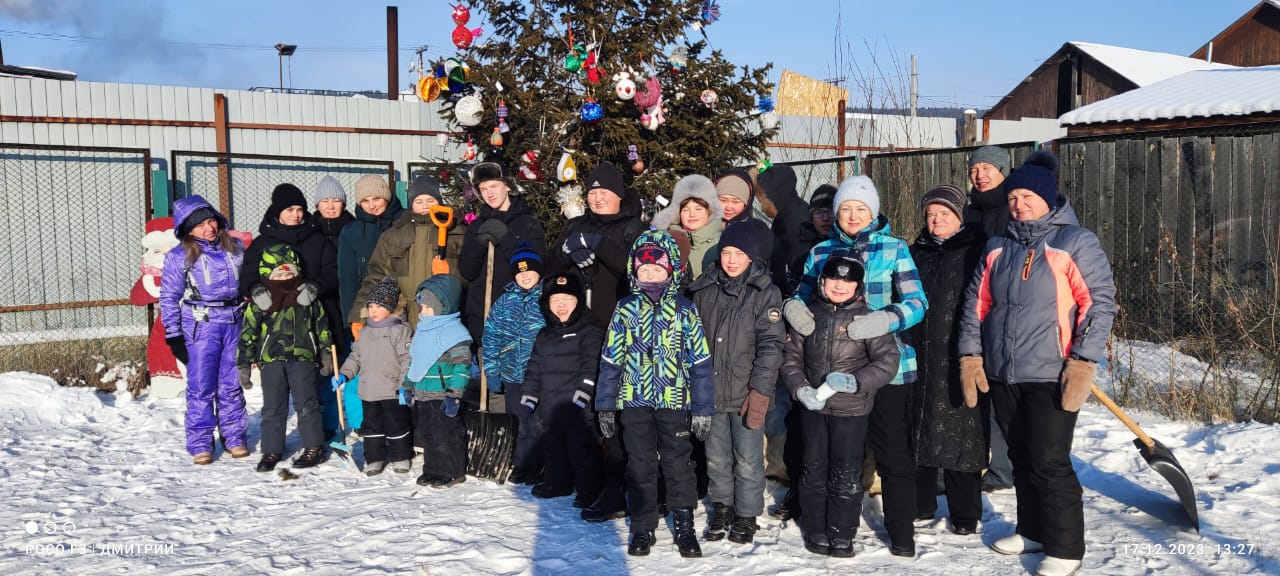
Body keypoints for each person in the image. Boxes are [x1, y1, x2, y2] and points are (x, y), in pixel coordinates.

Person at [958, 151, 1116, 576]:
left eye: (1028, 196)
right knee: (1021, 455)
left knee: (1050, 459)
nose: (1019, 204)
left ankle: (1066, 547)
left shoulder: (1074, 242)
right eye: (1013, 197)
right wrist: (971, 356)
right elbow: (976, 306)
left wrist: (1083, 361)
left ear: (1047, 199)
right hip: (1004, 370)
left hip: (1053, 372)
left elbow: (1098, 304)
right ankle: (1032, 531)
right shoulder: (998, 246)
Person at [783, 174, 928, 557]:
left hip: (886, 368)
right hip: (831, 368)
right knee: (826, 451)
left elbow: (917, 302)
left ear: (873, 213)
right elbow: (800, 296)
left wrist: (886, 319)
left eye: (860, 209)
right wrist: (793, 309)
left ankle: (900, 531)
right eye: (844, 208)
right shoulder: (820, 253)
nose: (851, 215)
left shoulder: (894, 249)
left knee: (891, 450)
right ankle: (818, 518)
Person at [596, 230, 713, 558]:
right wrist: (605, 404)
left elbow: (701, 363)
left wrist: (703, 408)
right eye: (643, 271)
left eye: (657, 270)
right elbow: (610, 359)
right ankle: (643, 526)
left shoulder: (684, 310)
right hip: (633, 401)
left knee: (678, 463)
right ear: (634, 273)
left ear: (671, 272)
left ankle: (685, 525)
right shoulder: (625, 309)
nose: (650, 276)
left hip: (674, 400)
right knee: (640, 464)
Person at [545, 162, 648, 522]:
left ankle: (618, 491)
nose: (598, 197)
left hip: (623, 336)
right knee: (586, 412)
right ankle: (589, 482)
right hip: (581, 335)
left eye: (605, 191)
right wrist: (568, 251)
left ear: (620, 194)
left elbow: (640, 272)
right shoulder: (575, 226)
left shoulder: (635, 228)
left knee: (615, 416)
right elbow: (551, 270)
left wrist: (602, 245)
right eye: (591, 191)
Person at [781, 256, 899, 557]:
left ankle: (842, 532)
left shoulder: (868, 319)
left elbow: (888, 361)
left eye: (847, 281)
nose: (839, 286)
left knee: (846, 472)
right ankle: (817, 529)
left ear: (858, 287)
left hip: (851, 411)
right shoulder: (809, 316)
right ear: (822, 282)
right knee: (813, 468)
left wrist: (857, 381)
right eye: (834, 279)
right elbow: (791, 357)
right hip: (814, 409)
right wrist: (799, 387)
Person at [688, 224, 784, 544]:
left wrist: (760, 392)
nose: (731, 260)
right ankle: (722, 507)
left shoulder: (764, 292)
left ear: (751, 257)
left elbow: (771, 347)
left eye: (739, 254)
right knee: (716, 456)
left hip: (746, 394)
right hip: (710, 393)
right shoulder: (703, 289)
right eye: (726, 253)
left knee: (747, 458)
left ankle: (746, 514)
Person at [907, 184, 988, 536]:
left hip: (960, 354)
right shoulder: (915, 252)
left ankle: (965, 514)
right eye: (930, 214)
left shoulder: (976, 250)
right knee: (918, 428)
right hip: (918, 353)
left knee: (963, 433)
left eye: (944, 213)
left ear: (959, 216)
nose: (936, 220)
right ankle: (920, 504)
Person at [159, 196, 249, 465]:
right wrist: (173, 334)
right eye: (200, 225)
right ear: (188, 230)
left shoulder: (235, 248)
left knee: (231, 384)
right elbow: (168, 297)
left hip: (234, 321)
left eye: (211, 221)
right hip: (201, 326)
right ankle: (200, 443)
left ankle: (234, 437)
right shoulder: (179, 256)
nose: (208, 228)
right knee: (201, 386)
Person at [769, 183, 836, 511]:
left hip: (841, 344)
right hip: (803, 340)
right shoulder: (799, 242)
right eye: (819, 211)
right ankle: (799, 488)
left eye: (830, 210)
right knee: (800, 420)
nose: (825, 217)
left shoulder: (844, 245)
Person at [238, 244, 333, 472]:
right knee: (273, 407)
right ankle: (272, 450)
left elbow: (321, 326)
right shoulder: (261, 301)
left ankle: (314, 447)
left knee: (307, 405)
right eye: (278, 274)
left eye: (288, 272)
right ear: (267, 274)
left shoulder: (308, 298)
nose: (284, 277)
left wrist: (326, 351)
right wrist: (244, 363)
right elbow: (248, 333)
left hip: (303, 359)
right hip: (271, 361)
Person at [520, 272, 605, 506]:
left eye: (567, 299)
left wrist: (585, 390)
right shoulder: (544, 335)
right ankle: (558, 482)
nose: (561, 305)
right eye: (555, 301)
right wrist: (529, 392)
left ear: (578, 301)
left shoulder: (590, 331)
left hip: (578, 406)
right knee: (553, 448)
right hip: (550, 406)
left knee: (582, 451)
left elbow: (593, 365)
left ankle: (589, 489)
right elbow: (534, 366)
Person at [964, 145, 1016, 492]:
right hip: (972, 312)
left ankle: (1006, 469)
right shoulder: (968, 211)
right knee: (975, 393)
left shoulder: (1012, 210)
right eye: (974, 169)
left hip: (1004, 314)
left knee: (1002, 397)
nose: (980, 174)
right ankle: (983, 464)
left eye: (987, 168)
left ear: (1003, 171)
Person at [354, 175, 464, 330]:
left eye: (430, 200)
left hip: (444, 319)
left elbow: (473, 275)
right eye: (419, 201)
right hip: (403, 322)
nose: (425, 206)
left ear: (439, 202)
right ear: (411, 205)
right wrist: (360, 316)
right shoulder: (393, 236)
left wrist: (451, 270)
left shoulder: (457, 232)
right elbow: (375, 277)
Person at [333, 276, 413, 476]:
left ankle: (400, 456)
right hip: (368, 391)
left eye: (379, 306)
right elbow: (356, 357)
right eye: (370, 307)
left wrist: (405, 384)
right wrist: (344, 374)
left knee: (397, 425)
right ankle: (374, 458)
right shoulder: (365, 332)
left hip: (392, 390)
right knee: (372, 428)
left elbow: (407, 359)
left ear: (392, 307)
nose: (373, 310)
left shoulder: (400, 331)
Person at [459, 162, 547, 343]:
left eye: (494, 186)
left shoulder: (528, 224)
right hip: (481, 312)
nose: (489, 193)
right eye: (483, 189)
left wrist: (506, 238)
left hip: (515, 314)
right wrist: (479, 244)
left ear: (507, 186)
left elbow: (533, 268)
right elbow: (467, 271)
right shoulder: (476, 226)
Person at [481, 243, 546, 485]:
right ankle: (521, 463)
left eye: (530, 271)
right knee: (518, 422)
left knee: (538, 423)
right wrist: (492, 369)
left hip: (539, 376)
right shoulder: (504, 302)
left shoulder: (546, 299)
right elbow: (491, 336)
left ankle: (539, 464)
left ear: (539, 272)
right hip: (512, 375)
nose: (525, 275)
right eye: (519, 272)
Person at [406, 274, 473, 488]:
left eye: (427, 307)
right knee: (428, 435)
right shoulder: (423, 331)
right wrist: (408, 385)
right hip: (423, 394)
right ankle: (433, 470)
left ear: (443, 306)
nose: (422, 312)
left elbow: (462, 365)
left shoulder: (455, 333)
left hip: (443, 394)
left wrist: (455, 394)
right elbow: (415, 362)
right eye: (422, 307)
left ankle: (452, 471)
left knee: (447, 435)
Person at [339, 174, 405, 336]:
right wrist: (354, 317)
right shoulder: (351, 232)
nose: (372, 205)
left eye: (376, 198)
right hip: (370, 306)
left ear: (386, 197)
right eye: (365, 201)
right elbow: (348, 280)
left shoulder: (404, 222)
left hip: (402, 302)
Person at [650, 174, 722, 282]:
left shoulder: (721, 243)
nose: (692, 215)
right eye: (686, 210)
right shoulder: (665, 241)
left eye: (698, 209)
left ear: (710, 212)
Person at [755, 164, 811, 291]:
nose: (761, 205)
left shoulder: (795, 222)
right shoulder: (784, 214)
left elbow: (797, 265)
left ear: (775, 195)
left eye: (763, 199)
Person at [713, 168, 774, 265]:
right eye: (723, 200)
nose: (729, 207)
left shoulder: (758, 231)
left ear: (746, 203)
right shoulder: (701, 224)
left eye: (735, 202)